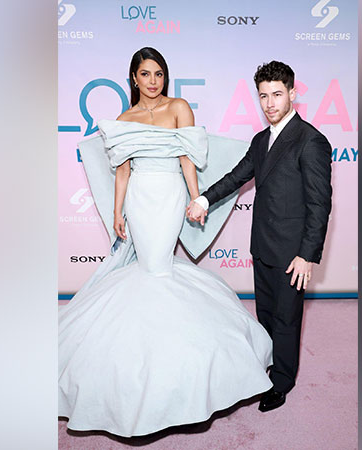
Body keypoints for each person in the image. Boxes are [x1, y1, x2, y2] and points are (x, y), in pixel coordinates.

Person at [58, 47, 273, 437]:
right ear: (134, 78)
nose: (153, 81)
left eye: (158, 73)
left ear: (164, 77)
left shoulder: (179, 108)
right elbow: (122, 172)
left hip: (170, 193)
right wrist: (117, 212)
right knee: (150, 269)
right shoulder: (125, 118)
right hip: (139, 195)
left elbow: (188, 158)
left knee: (159, 266)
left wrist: (195, 197)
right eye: (145, 74)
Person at [187, 61, 332, 412]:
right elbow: (237, 176)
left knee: (286, 319)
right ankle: (268, 366)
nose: (269, 103)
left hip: (292, 253)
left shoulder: (311, 141)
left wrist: (307, 254)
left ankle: (281, 383)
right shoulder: (260, 140)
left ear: (292, 94)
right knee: (266, 316)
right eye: (263, 96)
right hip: (264, 245)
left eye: (277, 95)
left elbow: (319, 203)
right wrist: (205, 198)